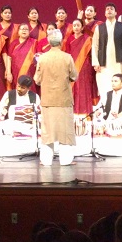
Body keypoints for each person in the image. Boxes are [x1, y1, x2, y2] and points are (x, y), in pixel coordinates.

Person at [34, 29, 78, 166]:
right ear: (60, 42)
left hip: (48, 99)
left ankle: (46, 160)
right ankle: (66, 161)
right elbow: (74, 76)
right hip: (63, 99)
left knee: (48, 132)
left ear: (48, 42)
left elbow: (37, 79)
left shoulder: (42, 58)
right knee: (65, 131)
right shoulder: (67, 57)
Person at [92, 2, 122, 95]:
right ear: (104, 13)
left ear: (116, 13)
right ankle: (106, 105)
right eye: (107, 9)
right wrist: (95, 62)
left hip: (119, 62)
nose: (109, 10)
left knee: (119, 82)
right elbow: (95, 46)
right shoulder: (99, 28)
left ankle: (120, 105)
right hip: (104, 61)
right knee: (104, 83)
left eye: (111, 9)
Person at [67, 18, 99, 115]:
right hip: (72, 68)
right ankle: (73, 113)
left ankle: (86, 113)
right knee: (73, 89)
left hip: (85, 68)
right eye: (74, 25)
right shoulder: (69, 39)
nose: (76, 27)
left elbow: (92, 54)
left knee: (84, 89)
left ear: (82, 27)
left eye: (78, 25)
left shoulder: (88, 39)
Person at [8, 23, 38, 92]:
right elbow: (9, 58)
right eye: (22, 29)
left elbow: (38, 58)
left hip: (30, 73)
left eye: (26, 29)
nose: (24, 31)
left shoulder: (34, 42)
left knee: (30, 91)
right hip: (16, 73)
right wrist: (8, 72)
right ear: (18, 32)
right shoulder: (14, 43)